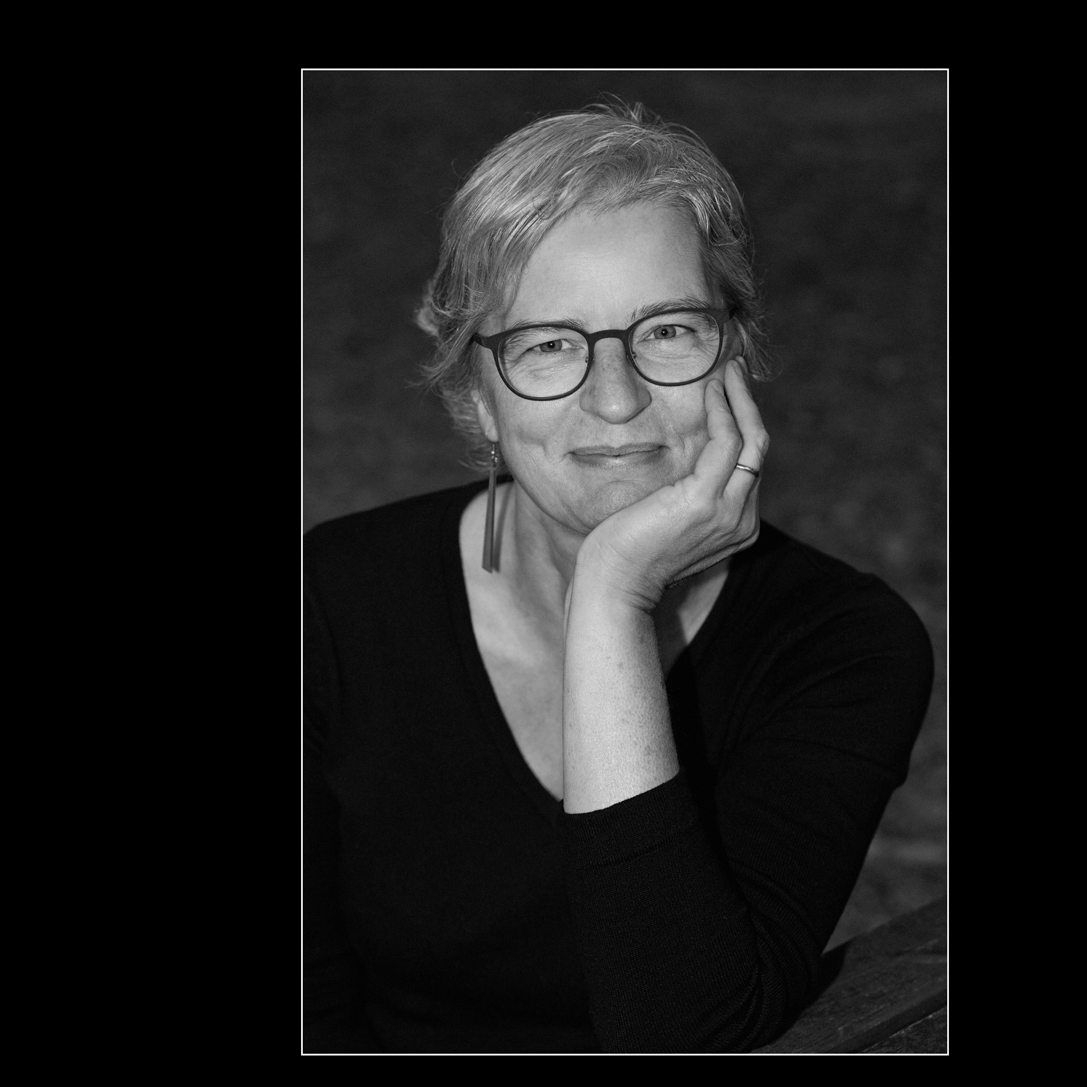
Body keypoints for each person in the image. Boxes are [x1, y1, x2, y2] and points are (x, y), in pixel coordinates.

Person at [304, 101, 934, 1053]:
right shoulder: (333, 605)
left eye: (668, 330)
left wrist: (611, 594)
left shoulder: (840, 647)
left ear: (736, 351)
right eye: (548, 343)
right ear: (478, 393)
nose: (615, 396)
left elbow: (680, 1033)